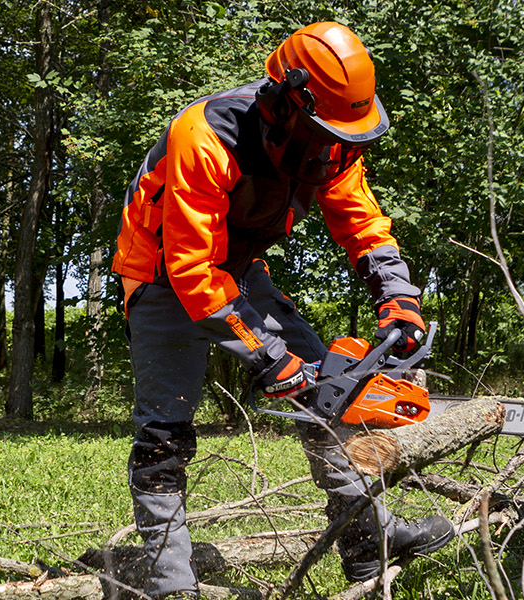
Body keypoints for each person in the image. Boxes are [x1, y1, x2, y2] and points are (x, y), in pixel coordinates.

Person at [110, 21, 454, 599]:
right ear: (287, 102)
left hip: (241, 270)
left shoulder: (335, 142)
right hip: (164, 275)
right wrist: (269, 358)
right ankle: (172, 584)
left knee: (336, 400)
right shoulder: (206, 135)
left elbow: (362, 223)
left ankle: (370, 544)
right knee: (163, 433)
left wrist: (398, 299)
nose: (334, 147)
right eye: (325, 131)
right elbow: (192, 269)